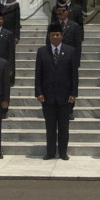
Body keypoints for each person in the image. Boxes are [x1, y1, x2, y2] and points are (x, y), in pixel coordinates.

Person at [35, 23, 79, 160]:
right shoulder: (42, 51)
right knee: (50, 126)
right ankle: (50, 152)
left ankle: (63, 152)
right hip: (47, 96)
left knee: (64, 127)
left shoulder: (70, 51)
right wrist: (39, 92)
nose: (55, 37)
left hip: (65, 96)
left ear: (62, 36)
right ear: (48, 36)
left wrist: (73, 93)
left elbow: (74, 75)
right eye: (52, 35)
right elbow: (38, 74)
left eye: (57, 35)